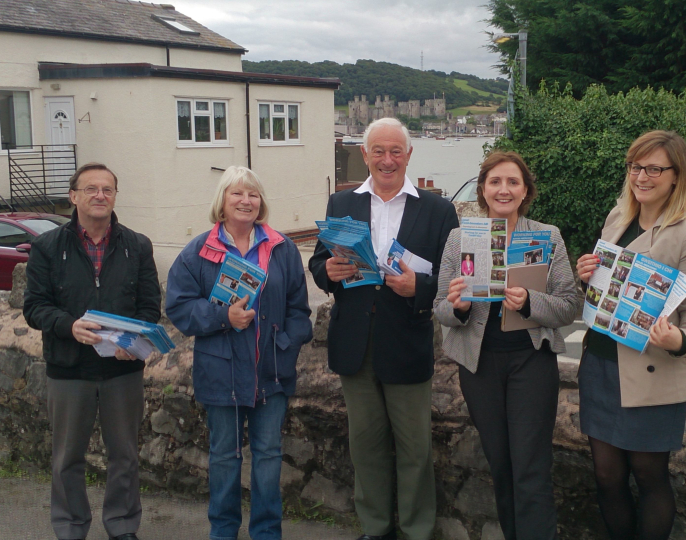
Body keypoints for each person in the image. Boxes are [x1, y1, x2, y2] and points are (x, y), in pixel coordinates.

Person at [308, 117, 458, 540]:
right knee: (366, 447)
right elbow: (318, 265)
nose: (387, 160)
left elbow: (451, 283)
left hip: (407, 342)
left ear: (409, 155)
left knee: (415, 449)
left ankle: (416, 530)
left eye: (396, 151)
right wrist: (329, 270)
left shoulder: (438, 210)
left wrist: (419, 286)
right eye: (379, 151)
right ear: (364, 154)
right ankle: (375, 529)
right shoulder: (342, 204)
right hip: (354, 341)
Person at [434, 151, 580, 540]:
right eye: (495, 181)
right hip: (479, 365)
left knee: (530, 467)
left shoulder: (546, 236)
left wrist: (531, 302)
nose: (504, 189)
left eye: (513, 181)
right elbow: (440, 308)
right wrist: (458, 306)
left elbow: (570, 304)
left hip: (531, 361)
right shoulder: (459, 238)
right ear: (482, 190)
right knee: (500, 465)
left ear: (525, 190)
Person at [575, 131, 686, 540]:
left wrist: (681, 342)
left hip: (650, 371)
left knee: (650, 476)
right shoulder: (617, 219)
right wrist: (589, 279)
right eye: (636, 166)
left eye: (655, 168)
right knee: (606, 475)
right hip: (600, 363)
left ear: (676, 176)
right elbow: (608, 294)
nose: (642, 176)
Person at [166, 166, 312, 540]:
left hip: (272, 371)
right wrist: (223, 317)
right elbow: (179, 308)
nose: (246, 201)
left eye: (253, 194)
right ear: (222, 201)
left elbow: (299, 309)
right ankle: (224, 532)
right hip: (222, 372)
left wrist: (289, 345)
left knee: (267, 457)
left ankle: (266, 532)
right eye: (237, 194)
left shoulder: (282, 247)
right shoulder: (198, 251)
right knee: (224, 459)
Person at [23, 162, 161, 540]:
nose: (100, 195)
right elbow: (34, 306)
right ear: (73, 196)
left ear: (115, 196)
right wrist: (69, 326)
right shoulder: (46, 246)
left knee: (125, 457)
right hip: (68, 368)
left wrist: (133, 344)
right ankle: (70, 527)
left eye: (107, 189)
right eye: (90, 189)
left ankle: (122, 525)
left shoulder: (137, 244)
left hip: (122, 370)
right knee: (67, 458)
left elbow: (150, 307)